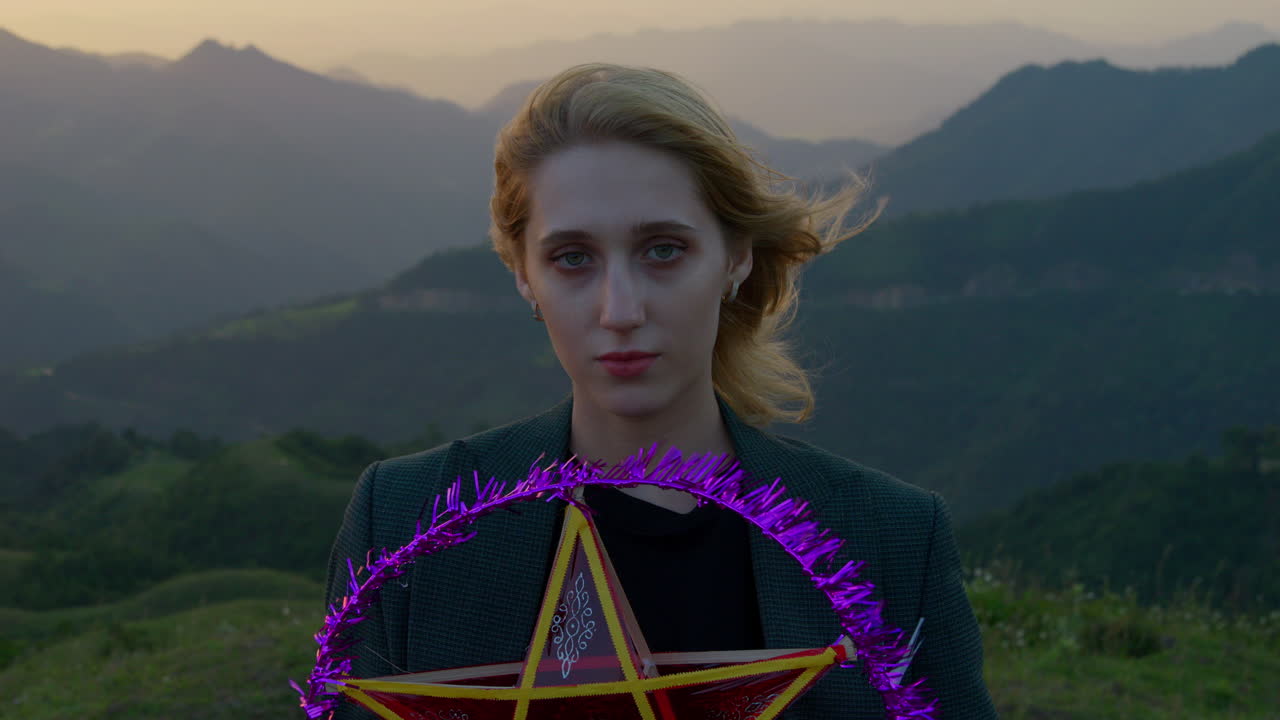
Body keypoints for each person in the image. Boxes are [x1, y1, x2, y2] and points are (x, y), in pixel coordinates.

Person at [324, 62, 998, 719]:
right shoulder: (408, 518)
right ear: (523, 274)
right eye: (572, 258)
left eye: (664, 249)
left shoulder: (891, 537)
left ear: (736, 256)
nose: (621, 309)